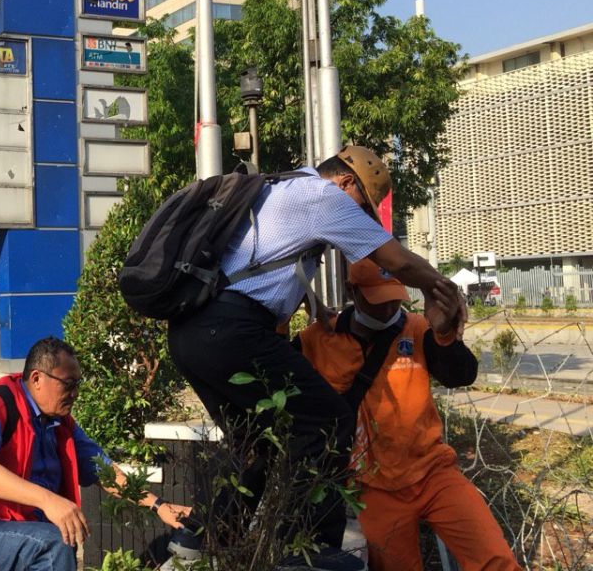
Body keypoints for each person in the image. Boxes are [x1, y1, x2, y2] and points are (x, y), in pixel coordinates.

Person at [165, 147, 468, 558]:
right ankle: (309, 549)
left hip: (191, 334)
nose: (358, 216)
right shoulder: (324, 197)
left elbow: (259, 260)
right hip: (231, 330)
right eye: (361, 205)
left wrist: (309, 303)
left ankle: (206, 534)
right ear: (346, 183)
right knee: (327, 419)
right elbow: (396, 260)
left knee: (260, 440)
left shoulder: (279, 187)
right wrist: (442, 288)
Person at [296, 259, 517, 571]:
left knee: (495, 559)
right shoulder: (318, 340)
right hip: (374, 487)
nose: (388, 311)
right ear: (352, 291)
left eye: (393, 300)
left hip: (434, 472)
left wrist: (444, 334)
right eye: (377, 301)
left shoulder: (417, 328)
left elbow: (460, 374)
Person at [0, 337, 191, 571]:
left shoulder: (61, 425)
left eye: (77, 384)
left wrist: (158, 505)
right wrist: (48, 500)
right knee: (55, 544)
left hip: (23, 531)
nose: (75, 393)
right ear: (37, 378)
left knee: (60, 540)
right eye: (68, 384)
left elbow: (105, 470)